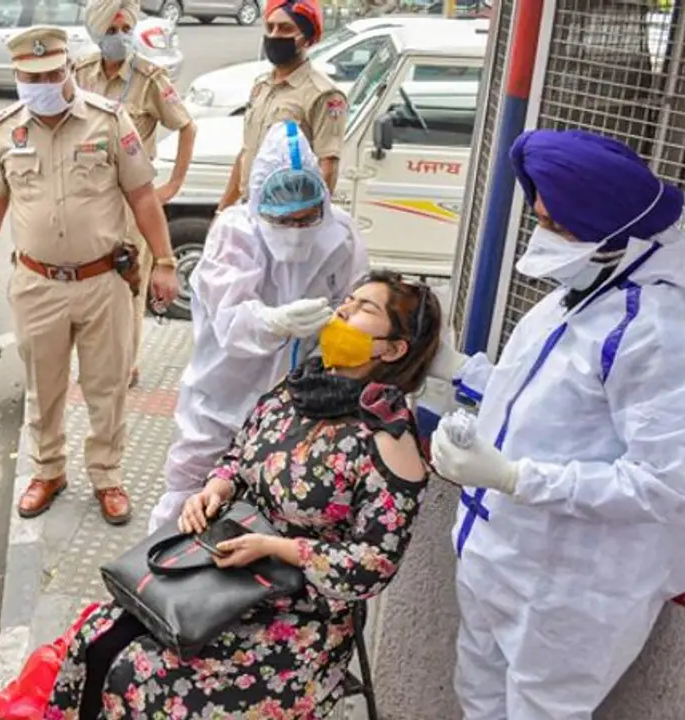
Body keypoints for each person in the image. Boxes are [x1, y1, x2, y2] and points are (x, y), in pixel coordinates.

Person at [46, 271, 440, 719]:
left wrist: (278, 548)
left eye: (365, 309)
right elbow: (239, 455)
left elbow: (373, 566)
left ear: (392, 348)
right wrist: (215, 488)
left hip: (300, 618)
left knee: (145, 674)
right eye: (348, 300)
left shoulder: (388, 439)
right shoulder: (300, 389)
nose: (344, 310)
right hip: (228, 576)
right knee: (99, 635)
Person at [428, 128, 685, 720]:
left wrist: (516, 476)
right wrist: (457, 373)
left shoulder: (657, 332)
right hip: (498, 557)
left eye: (559, 227)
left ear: (613, 234)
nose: (543, 237)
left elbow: (661, 484)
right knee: (481, 700)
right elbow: (533, 395)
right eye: (539, 218)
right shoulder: (573, 296)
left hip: (570, 590)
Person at [0, 25, 179, 525]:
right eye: (31, 75)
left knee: (108, 387)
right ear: (17, 75)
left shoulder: (107, 120)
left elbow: (142, 195)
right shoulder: (4, 130)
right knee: (44, 387)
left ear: (68, 68)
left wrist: (165, 261)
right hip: (38, 285)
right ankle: (48, 471)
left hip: (103, 282)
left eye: (53, 72)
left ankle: (106, 476)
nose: (43, 81)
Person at [147, 120, 370, 533]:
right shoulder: (236, 231)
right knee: (190, 489)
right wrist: (272, 321)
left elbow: (357, 302)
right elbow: (230, 319)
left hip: (302, 399)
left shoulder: (340, 232)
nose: (299, 230)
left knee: (276, 501)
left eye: (307, 219)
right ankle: (158, 576)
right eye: (286, 220)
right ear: (259, 206)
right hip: (223, 392)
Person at [72, 0, 197, 387]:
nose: (120, 37)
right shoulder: (81, 71)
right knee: (88, 283)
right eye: (111, 31)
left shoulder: (149, 77)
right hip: (89, 198)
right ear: (97, 32)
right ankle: (92, 361)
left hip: (132, 201)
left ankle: (126, 365)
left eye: (125, 29)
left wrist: (172, 185)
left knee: (129, 282)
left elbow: (187, 127)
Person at [218, 0, 347, 212]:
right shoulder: (261, 86)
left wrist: (304, 219)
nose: (275, 35)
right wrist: (222, 211)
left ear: (305, 38)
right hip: (249, 212)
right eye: (270, 27)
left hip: (287, 217)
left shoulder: (323, 94)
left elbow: (328, 166)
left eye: (286, 28)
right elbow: (246, 153)